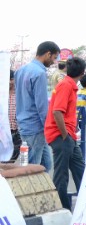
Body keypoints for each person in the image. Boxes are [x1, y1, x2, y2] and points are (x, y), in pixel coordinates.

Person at [46, 56, 86, 210]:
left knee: (80, 170)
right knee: (61, 176)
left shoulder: (68, 85)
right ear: (83, 73)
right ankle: (63, 210)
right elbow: (57, 112)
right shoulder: (66, 86)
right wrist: (65, 135)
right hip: (62, 135)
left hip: (67, 135)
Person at [14, 41, 60, 171]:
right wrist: (49, 127)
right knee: (32, 169)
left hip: (24, 123)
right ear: (48, 54)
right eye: (54, 57)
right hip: (35, 126)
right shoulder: (39, 73)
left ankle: (44, 191)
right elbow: (42, 105)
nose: (54, 61)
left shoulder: (20, 71)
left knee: (46, 165)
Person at [7, 70, 20, 162]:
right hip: (3, 131)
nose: (10, 82)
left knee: (13, 157)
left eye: (11, 79)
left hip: (16, 132)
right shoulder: (2, 93)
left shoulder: (20, 93)